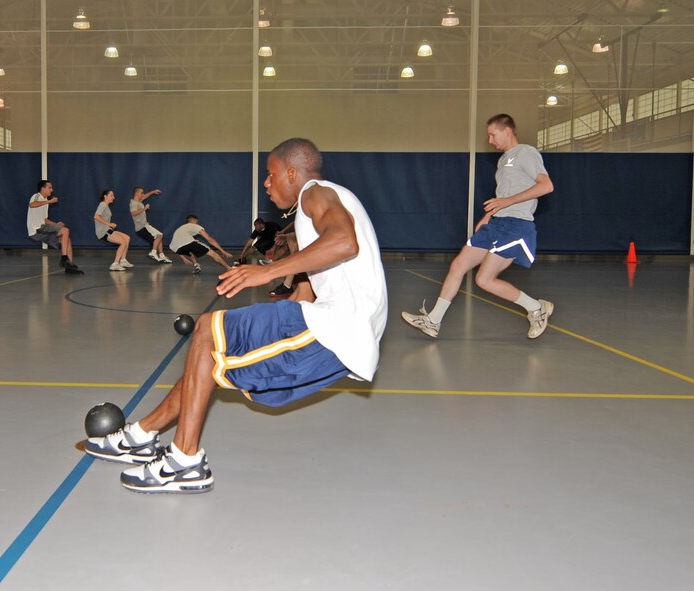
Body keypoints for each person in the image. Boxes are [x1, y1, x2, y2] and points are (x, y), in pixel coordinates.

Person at [85, 138, 388, 494]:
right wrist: (277, 305)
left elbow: (344, 242)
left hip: (337, 330)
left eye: (271, 174)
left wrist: (266, 272)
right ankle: (140, 436)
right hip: (331, 325)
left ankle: (185, 462)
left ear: (292, 173)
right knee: (208, 347)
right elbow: (308, 288)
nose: (266, 183)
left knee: (207, 331)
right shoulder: (325, 203)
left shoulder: (314, 193)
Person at [401, 113, 555, 340]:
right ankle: (433, 321)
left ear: (507, 131)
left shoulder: (526, 152)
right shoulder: (503, 161)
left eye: (493, 135)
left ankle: (536, 308)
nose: (490, 140)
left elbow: (546, 186)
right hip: (497, 223)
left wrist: (508, 202)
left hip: (516, 226)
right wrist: (488, 216)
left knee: (484, 280)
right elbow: (503, 195)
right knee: (458, 265)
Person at [26, 180, 84, 274]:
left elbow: (45, 220)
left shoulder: (45, 202)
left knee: (67, 239)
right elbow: (32, 205)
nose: (52, 190)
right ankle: (64, 259)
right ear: (43, 188)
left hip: (42, 229)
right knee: (65, 231)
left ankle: (69, 267)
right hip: (36, 229)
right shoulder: (36, 196)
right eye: (49, 188)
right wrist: (49, 201)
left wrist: (56, 225)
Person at [169, 214, 234, 274]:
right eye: (197, 222)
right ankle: (229, 268)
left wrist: (184, 259)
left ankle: (196, 265)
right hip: (186, 244)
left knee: (189, 249)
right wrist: (223, 251)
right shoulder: (194, 226)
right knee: (212, 253)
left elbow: (176, 245)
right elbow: (210, 240)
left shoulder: (181, 229)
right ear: (194, 221)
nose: (198, 224)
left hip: (175, 248)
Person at [94, 189, 134, 272]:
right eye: (111, 195)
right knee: (123, 242)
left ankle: (123, 260)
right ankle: (115, 264)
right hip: (103, 232)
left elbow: (102, 218)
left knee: (127, 238)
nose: (113, 197)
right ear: (105, 196)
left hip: (107, 229)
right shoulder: (103, 205)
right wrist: (109, 224)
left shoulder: (106, 206)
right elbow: (96, 216)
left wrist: (110, 225)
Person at [129, 186, 171, 263]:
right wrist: (144, 208)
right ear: (137, 193)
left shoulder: (138, 201)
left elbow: (146, 196)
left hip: (145, 226)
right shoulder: (134, 203)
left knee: (159, 236)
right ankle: (153, 252)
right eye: (141, 193)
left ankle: (161, 256)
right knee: (159, 235)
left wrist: (153, 192)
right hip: (142, 227)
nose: (143, 194)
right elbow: (133, 213)